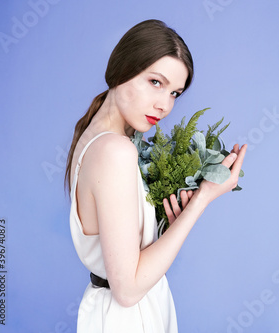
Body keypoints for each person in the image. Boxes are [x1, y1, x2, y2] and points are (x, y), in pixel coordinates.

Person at [64, 19, 247, 332]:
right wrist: (203, 198)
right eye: (155, 82)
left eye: (175, 92)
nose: (164, 105)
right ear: (122, 68)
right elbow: (128, 289)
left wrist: (163, 224)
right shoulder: (116, 151)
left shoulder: (94, 135)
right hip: (128, 319)